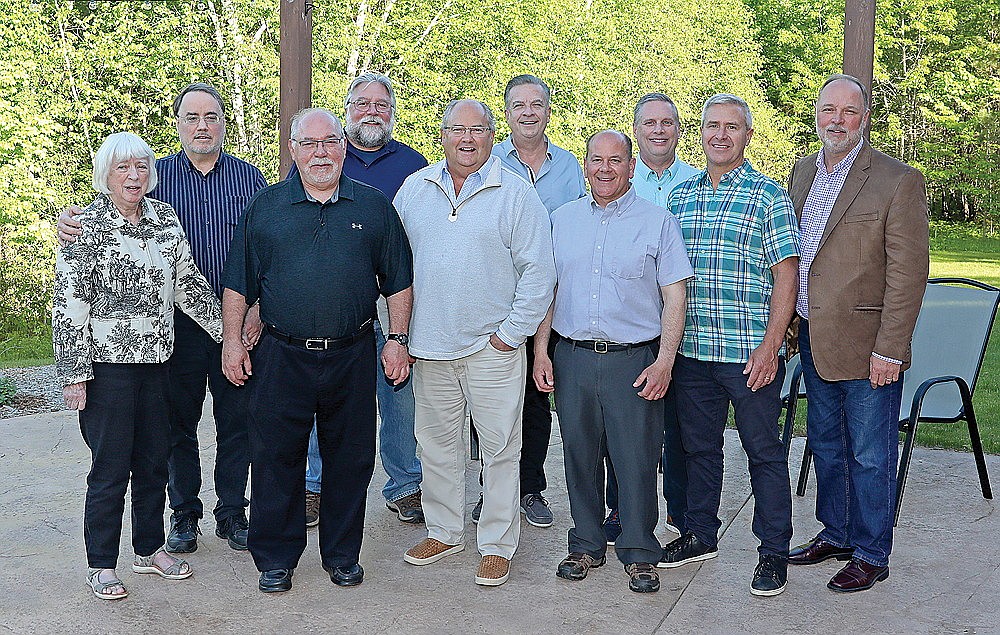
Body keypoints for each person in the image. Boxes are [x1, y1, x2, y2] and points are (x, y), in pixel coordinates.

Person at [58, 83, 268, 553]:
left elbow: (263, 251)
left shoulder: (249, 180)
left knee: (237, 422)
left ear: (222, 123)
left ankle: (233, 513)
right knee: (174, 428)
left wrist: (246, 320)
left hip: (232, 326)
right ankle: (184, 516)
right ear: (177, 123)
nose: (202, 125)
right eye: (191, 116)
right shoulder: (157, 176)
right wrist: (68, 221)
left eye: (210, 116)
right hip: (169, 334)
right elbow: (79, 279)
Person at [221, 108, 413, 594]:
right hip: (281, 355)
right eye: (309, 143)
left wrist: (397, 340)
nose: (321, 152)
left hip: (352, 355)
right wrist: (231, 342)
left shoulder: (372, 207)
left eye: (330, 141)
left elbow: (399, 281)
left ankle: (343, 555)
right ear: (293, 150)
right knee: (275, 459)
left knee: (350, 460)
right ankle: (276, 559)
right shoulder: (265, 208)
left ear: (343, 147)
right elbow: (239, 284)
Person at [54, 132, 223, 600]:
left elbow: (187, 283)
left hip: (158, 363)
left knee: (154, 462)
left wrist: (228, 336)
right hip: (107, 369)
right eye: (123, 167)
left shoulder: (165, 219)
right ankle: (101, 564)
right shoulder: (84, 225)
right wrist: (74, 375)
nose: (134, 176)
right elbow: (70, 304)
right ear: (105, 173)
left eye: (142, 167)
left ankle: (148, 551)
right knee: (110, 468)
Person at [395, 99, 555, 587]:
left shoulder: (515, 192)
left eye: (478, 130)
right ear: (441, 135)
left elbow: (539, 270)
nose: (468, 139)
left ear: (492, 135)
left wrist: (511, 335)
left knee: (500, 447)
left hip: (492, 348)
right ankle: (444, 531)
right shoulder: (415, 189)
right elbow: (392, 262)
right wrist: (398, 332)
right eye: (457, 130)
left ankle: (497, 545)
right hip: (428, 347)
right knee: (436, 445)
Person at [786, 74, 929, 593]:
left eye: (848, 111)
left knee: (870, 452)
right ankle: (838, 532)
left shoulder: (896, 180)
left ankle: (872, 551)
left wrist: (891, 347)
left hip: (869, 346)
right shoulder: (802, 172)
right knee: (825, 445)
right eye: (828, 109)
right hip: (813, 336)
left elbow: (909, 272)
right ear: (818, 113)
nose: (837, 119)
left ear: (864, 117)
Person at [533, 130, 692, 593]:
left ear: (630, 166)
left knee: (637, 460)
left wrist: (665, 361)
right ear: (585, 165)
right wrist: (542, 351)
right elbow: (549, 290)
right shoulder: (561, 220)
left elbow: (674, 293)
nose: (605, 168)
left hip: (634, 361)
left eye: (616, 160)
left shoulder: (656, 221)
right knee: (579, 456)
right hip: (573, 358)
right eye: (597, 160)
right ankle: (585, 543)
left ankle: (641, 551)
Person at [660, 94, 800, 597]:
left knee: (763, 451)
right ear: (700, 133)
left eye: (732, 127)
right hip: (693, 353)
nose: (720, 135)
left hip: (749, 354)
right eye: (712, 126)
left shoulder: (769, 196)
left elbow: (788, 275)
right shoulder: (681, 197)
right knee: (698, 448)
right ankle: (699, 533)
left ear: (747, 135)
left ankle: (773, 552)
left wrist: (771, 345)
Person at [288, 73, 429, 529]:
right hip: (330, 297)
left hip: (390, 296)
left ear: (392, 112)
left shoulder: (413, 164)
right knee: (320, 394)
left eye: (381, 104)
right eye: (362, 103)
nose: (372, 111)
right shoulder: (320, 155)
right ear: (347, 109)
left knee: (397, 392)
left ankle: (405, 483)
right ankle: (314, 484)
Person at [464, 74, 584, 529]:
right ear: (507, 113)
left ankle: (529, 487)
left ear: (548, 110)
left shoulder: (571, 167)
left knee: (536, 398)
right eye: (519, 105)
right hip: (492, 299)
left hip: (548, 301)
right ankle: (492, 489)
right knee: (490, 402)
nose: (528, 112)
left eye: (537, 104)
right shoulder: (485, 162)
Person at [603, 92, 700, 545]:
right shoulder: (618, 182)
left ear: (679, 129)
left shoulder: (700, 183)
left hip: (686, 329)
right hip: (631, 330)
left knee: (680, 428)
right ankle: (620, 512)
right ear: (636, 131)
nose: (658, 130)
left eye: (667, 122)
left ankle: (681, 516)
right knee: (621, 434)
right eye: (649, 124)